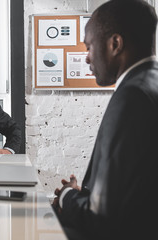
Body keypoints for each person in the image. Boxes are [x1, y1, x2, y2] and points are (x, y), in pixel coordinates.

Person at [52, 1, 158, 239]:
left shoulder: (132, 97)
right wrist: (84, 195)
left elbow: (102, 220)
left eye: (89, 46)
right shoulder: (150, 84)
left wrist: (68, 196)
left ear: (115, 44)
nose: (87, 58)